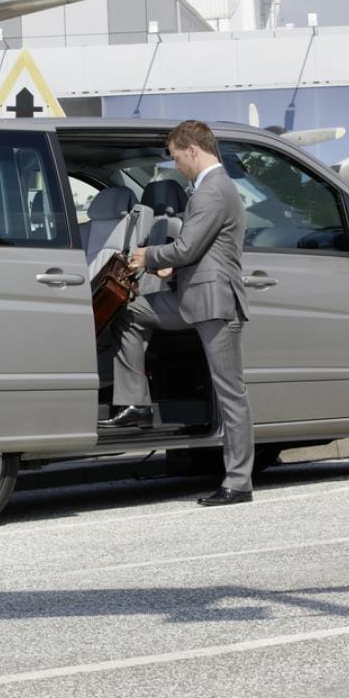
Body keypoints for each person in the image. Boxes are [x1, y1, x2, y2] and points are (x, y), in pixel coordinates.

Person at [98, 119, 254, 507]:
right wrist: (172, 267)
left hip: (214, 302)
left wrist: (147, 257)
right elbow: (199, 250)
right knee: (130, 309)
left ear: (192, 149)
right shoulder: (208, 190)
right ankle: (135, 403)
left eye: (175, 157)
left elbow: (186, 248)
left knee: (231, 393)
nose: (175, 165)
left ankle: (238, 482)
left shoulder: (213, 190)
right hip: (191, 298)